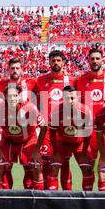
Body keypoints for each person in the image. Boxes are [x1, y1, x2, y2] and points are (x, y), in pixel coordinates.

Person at [74, 48, 105, 190]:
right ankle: (87, 202)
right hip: (89, 131)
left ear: (102, 60)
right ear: (88, 61)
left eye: (97, 58)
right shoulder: (81, 80)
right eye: (92, 59)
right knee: (88, 168)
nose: (95, 61)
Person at [0, 84, 47, 190]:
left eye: (15, 96)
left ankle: (38, 201)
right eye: (9, 96)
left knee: (36, 167)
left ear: (19, 96)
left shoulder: (30, 108)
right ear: (5, 97)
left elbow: (44, 127)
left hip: (28, 140)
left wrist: (36, 150)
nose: (12, 99)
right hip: (8, 140)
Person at [32, 50, 74, 190]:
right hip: (47, 129)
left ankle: (67, 196)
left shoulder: (71, 80)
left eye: (58, 60)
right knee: (44, 162)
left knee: (65, 163)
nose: (55, 63)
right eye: (53, 60)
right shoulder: (41, 80)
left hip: (64, 128)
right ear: (49, 62)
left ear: (63, 62)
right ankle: (45, 195)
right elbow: (35, 102)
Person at [0, 57, 36, 189]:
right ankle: (6, 196)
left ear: (22, 70)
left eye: (17, 68)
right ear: (8, 70)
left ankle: (30, 196)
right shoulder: (1, 85)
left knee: (30, 167)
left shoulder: (32, 82)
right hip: (10, 130)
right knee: (4, 167)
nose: (15, 70)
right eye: (12, 68)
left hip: (27, 131)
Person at [49, 85, 93, 190]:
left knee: (87, 169)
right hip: (62, 144)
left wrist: (84, 152)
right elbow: (52, 133)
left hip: (80, 144)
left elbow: (88, 133)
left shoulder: (85, 111)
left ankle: (87, 201)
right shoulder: (56, 111)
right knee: (53, 169)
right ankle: (54, 202)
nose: (70, 101)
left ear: (77, 97)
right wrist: (55, 151)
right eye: (67, 98)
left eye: (73, 98)